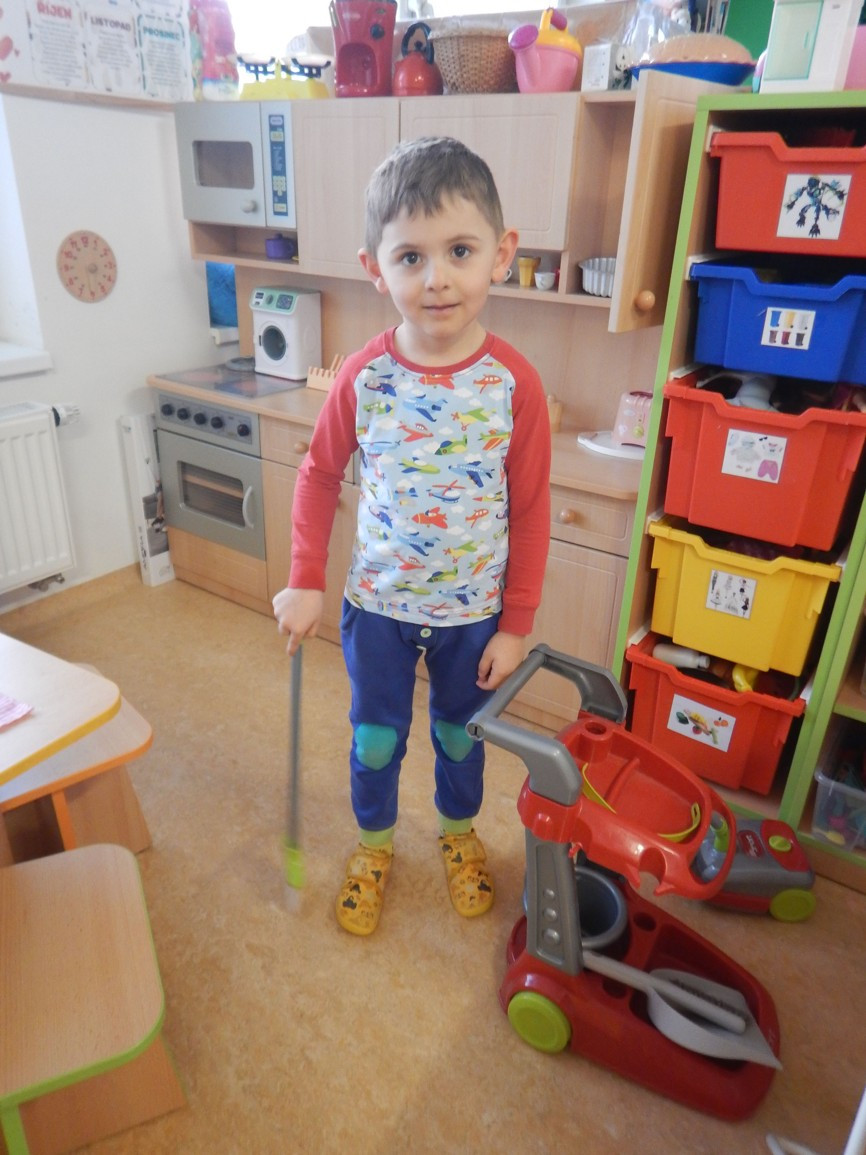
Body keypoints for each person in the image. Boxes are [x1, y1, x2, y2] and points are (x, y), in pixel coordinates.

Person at [273, 136, 551, 936]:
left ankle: (458, 832)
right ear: (375, 268)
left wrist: (517, 624)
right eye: (410, 257)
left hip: (474, 616)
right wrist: (305, 578)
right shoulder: (365, 378)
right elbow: (318, 475)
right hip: (379, 608)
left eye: (460, 251)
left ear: (501, 254)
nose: (437, 278)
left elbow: (531, 509)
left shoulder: (515, 385)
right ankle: (374, 843)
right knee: (374, 739)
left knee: (462, 738)